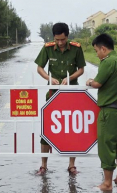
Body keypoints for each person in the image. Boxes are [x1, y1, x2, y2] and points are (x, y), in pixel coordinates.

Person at [34, 22, 86, 175]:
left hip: (72, 93)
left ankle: (71, 165)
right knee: (47, 129)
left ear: (67, 37)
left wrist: (70, 78)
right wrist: (49, 78)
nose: (60, 43)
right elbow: (39, 68)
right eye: (57, 40)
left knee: (72, 129)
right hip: (53, 93)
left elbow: (81, 69)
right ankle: (43, 165)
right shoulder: (48, 48)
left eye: (62, 40)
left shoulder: (76, 48)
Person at [85, 33, 117, 192]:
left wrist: (89, 81)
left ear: (104, 49)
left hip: (109, 111)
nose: (97, 55)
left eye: (97, 51)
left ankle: (107, 183)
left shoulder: (108, 62)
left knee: (106, 145)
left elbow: (97, 83)